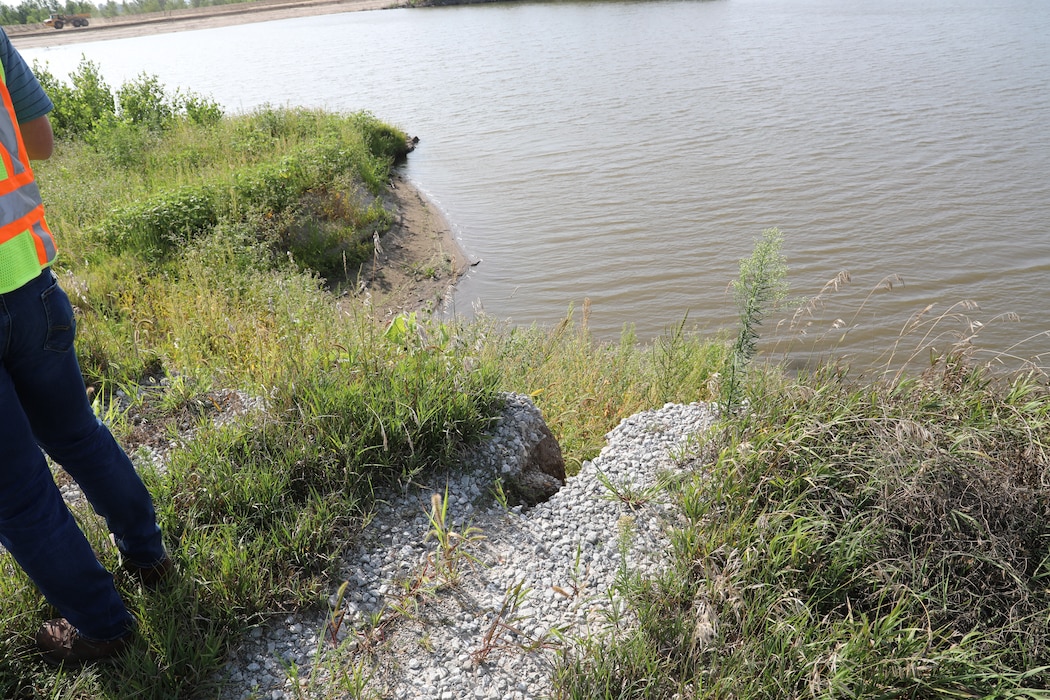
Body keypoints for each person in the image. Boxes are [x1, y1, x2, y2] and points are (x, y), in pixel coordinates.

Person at [0, 27, 171, 665]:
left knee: (18, 496)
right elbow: (39, 139)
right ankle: (149, 558)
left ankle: (102, 626)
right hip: (27, 284)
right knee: (77, 434)